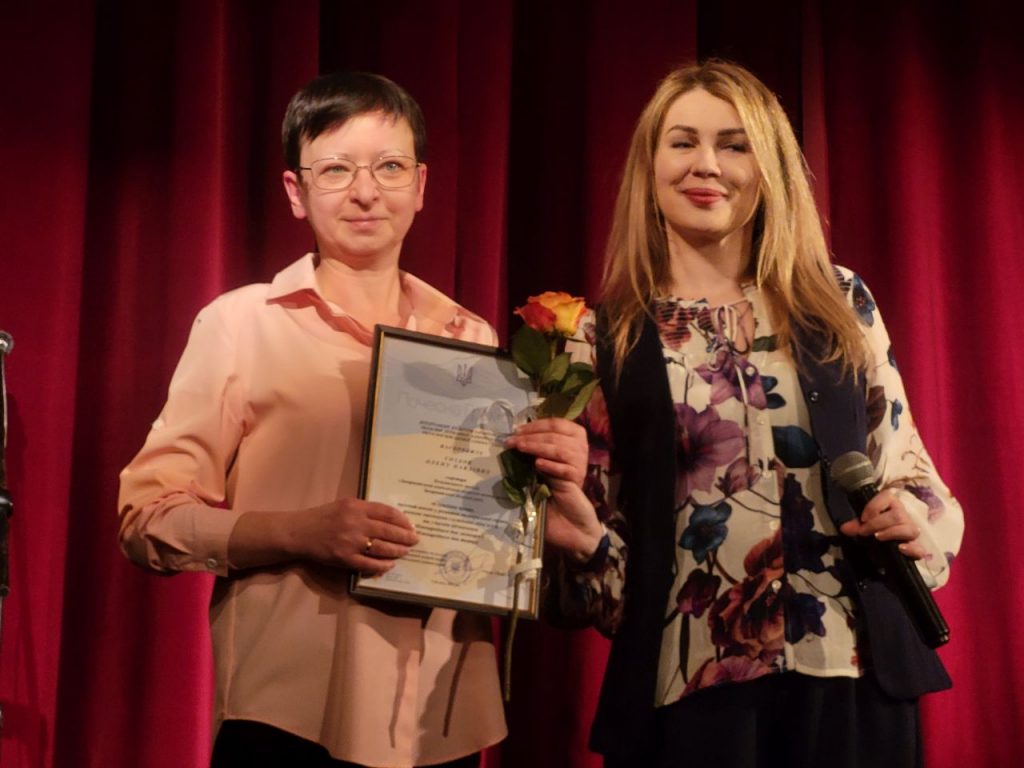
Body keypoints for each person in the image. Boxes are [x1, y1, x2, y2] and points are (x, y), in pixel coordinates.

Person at [505, 60, 964, 767]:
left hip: (852, 675)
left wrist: (910, 518)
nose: (707, 165)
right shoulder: (603, 338)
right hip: (689, 694)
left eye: (734, 144)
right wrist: (584, 535)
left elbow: (912, 474)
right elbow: (607, 584)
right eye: (683, 142)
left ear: (768, 166)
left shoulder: (838, 301)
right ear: (649, 167)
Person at [117, 71, 505, 768]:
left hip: (437, 720)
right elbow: (147, 519)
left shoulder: (470, 338)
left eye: (390, 167)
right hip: (286, 714)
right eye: (336, 170)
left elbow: (487, 532)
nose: (366, 191)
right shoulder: (240, 325)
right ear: (296, 192)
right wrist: (301, 532)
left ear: (421, 184)